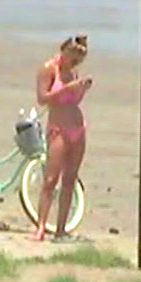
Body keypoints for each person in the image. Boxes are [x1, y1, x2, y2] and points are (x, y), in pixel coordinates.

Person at [32, 35, 93, 241]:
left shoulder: (73, 72)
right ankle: (40, 227)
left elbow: (74, 100)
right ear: (64, 51)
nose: (75, 61)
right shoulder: (50, 69)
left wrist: (80, 90)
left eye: (79, 58)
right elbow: (42, 99)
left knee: (70, 179)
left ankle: (61, 228)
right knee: (50, 179)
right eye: (73, 56)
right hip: (58, 126)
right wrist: (66, 89)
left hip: (77, 125)